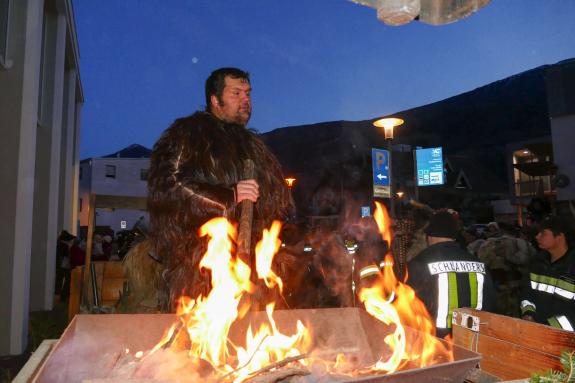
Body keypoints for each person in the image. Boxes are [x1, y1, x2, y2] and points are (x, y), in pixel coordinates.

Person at [148, 67, 291, 311]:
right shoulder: (188, 133)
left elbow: (276, 203)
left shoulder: (254, 147)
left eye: (248, 93)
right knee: (202, 336)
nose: (245, 100)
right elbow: (169, 184)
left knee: (250, 337)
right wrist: (229, 196)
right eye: (236, 93)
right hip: (201, 263)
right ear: (215, 100)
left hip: (249, 264)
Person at [407, 211, 496, 338]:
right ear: (454, 237)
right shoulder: (477, 263)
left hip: (436, 344)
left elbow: (408, 304)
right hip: (474, 339)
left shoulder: (420, 262)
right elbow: (491, 302)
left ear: (429, 236)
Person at [520, 215, 575, 331]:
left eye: (543, 233)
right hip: (536, 331)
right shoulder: (537, 264)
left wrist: (546, 326)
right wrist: (528, 314)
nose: (537, 237)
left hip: (566, 340)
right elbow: (526, 294)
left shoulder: (572, 267)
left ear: (560, 237)